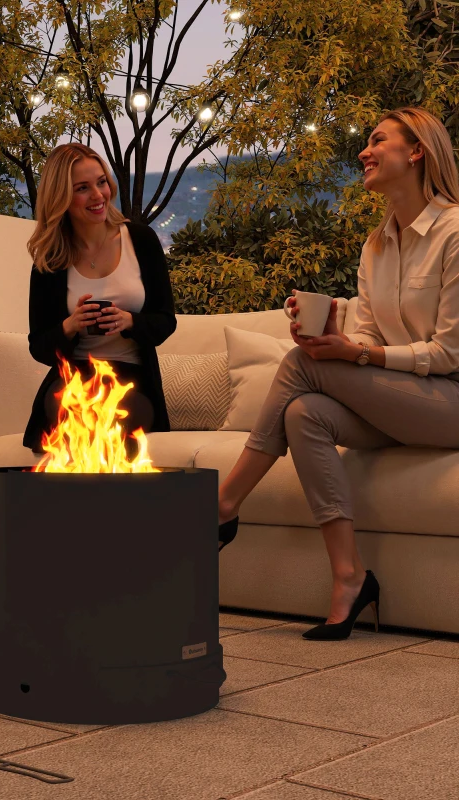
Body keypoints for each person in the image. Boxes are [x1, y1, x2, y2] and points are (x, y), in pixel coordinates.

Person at [217, 107, 459, 640]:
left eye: (377, 141)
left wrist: (359, 358)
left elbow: (446, 354)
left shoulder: (454, 232)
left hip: (450, 402)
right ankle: (350, 577)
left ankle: (224, 503)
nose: (363, 152)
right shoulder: (376, 245)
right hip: (404, 399)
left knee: (300, 365)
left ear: (415, 151)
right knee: (305, 413)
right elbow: (370, 338)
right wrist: (338, 342)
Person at [23, 143, 176, 458]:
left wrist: (130, 321)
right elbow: (38, 346)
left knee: (114, 417)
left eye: (102, 182)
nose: (98, 195)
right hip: (74, 377)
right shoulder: (50, 261)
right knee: (65, 408)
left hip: (133, 377)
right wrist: (70, 326)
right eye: (82, 188)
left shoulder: (141, 241)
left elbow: (165, 320)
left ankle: (93, 498)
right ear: (62, 198)